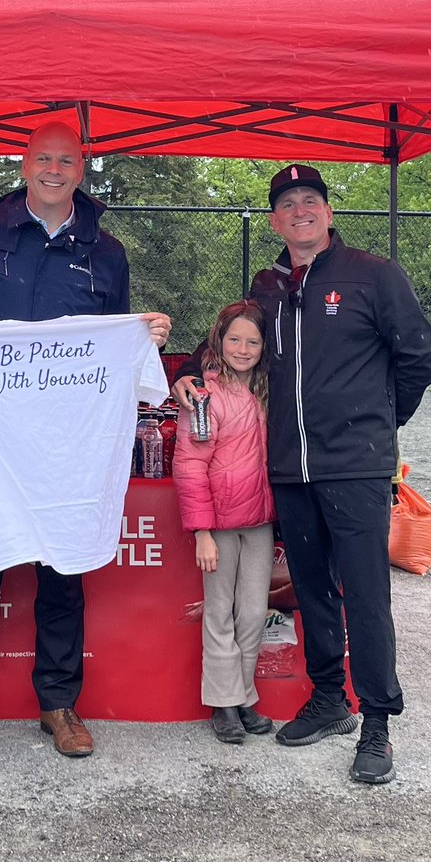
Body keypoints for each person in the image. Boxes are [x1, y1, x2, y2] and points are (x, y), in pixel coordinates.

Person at [0, 121, 171, 765]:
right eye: (44, 160)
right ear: (24, 165)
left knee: (65, 562)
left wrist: (147, 336)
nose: (55, 170)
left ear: (82, 171)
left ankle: (58, 703)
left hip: (70, 443)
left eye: (68, 161)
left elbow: (117, 336)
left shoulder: (105, 252)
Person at [173, 164, 431, 785]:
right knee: (313, 587)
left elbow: (419, 358)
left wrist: (375, 422)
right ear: (274, 219)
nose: (300, 210)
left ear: (327, 211)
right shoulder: (267, 287)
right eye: (287, 203)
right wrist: (187, 370)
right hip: (288, 471)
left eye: (310, 200)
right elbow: (227, 341)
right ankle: (328, 700)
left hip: (354, 468)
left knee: (366, 595)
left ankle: (376, 720)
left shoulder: (373, 275)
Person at [173, 300, 276, 746]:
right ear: (219, 340)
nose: (243, 348)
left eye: (253, 341)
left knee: (253, 614)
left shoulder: (273, 389)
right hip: (218, 523)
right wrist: (202, 533)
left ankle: (244, 695)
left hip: (260, 521)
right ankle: (223, 703)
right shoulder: (204, 395)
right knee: (221, 613)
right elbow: (190, 465)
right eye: (234, 338)